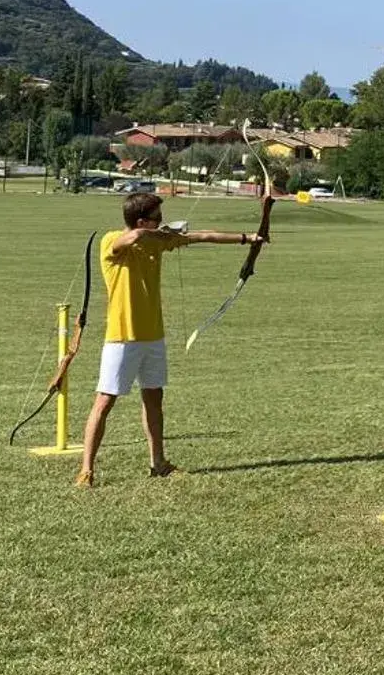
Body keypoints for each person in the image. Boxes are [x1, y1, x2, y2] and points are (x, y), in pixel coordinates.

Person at [75, 191, 257, 487]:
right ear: (142, 221)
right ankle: (86, 469)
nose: (163, 222)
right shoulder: (112, 241)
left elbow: (203, 236)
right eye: (157, 218)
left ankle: (158, 462)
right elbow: (128, 240)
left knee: (154, 399)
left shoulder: (156, 241)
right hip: (122, 337)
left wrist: (247, 238)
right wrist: (155, 234)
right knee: (105, 401)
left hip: (153, 336)